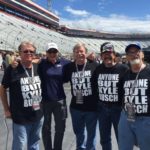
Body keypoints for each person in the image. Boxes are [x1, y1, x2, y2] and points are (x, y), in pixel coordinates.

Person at [0, 41, 43, 150]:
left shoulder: (38, 67)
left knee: (34, 144)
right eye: (26, 51)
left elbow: (53, 58)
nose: (29, 53)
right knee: (19, 145)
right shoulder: (13, 68)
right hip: (20, 117)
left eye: (32, 51)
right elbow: (2, 89)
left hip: (37, 115)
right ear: (19, 53)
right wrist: (6, 109)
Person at [92, 42, 128, 150]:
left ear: (114, 54)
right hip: (102, 108)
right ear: (101, 55)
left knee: (121, 137)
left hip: (118, 109)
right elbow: (93, 86)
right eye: (105, 53)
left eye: (109, 53)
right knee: (104, 139)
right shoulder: (98, 69)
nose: (107, 55)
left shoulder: (123, 69)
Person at [63, 43, 98, 150]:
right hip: (76, 108)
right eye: (77, 51)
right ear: (73, 54)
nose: (79, 53)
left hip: (92, 107)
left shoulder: (94, 65)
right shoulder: (68, 67)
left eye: (82, 51)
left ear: (86, 53)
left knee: (91, 133)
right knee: (79, 132)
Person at [38, 42, 70, 150]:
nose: (52, 54)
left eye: (54, 51)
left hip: (61, 101)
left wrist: (90, 59)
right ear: (46, 53)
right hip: (45, 101)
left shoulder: (65, 63)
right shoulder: (41, 63)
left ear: (57, 52)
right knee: (45, 128)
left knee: (61, 128)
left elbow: (77, 63)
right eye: (50, 51)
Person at [118, 43, 150, 150]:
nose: (134, 54)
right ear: (127, 57)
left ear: (142, 54)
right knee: (124, 147)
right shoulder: (124, 74)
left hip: (146, 119)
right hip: (126, 117)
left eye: (137, 51)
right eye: (130, 53)